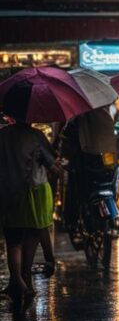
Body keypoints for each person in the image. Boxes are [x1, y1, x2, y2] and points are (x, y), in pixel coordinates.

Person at [0, 116, 58, 305]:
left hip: (9, 192)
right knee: (32, 236)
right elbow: (51, 163)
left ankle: (19, 282)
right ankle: (25, 281)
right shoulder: (36, 136)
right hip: (36, 191)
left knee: (14, 242)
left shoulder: (3, 135)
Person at [60, 106, 117, 260]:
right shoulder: (106, 113)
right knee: (111, 184)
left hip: (85, 165)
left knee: (74, 192)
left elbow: (65, 136)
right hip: (106, 166)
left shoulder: (76, 115)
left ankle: (71, 222)